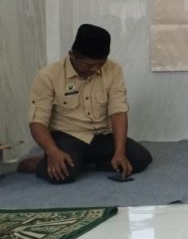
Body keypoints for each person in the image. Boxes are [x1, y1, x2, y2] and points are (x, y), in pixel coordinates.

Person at [21, 24, 152, 183]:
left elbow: (118, 111)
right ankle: (42, 162)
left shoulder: (114, 69)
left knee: (140, 159)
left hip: (101, 136)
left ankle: (84, 162)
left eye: (101, 63)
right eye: (89, 64)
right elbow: (37, 122)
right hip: (68, 137)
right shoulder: (47, 77)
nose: (95, 68)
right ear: (72, 55)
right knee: (63, 174)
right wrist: (53, 151)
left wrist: (119, 151)